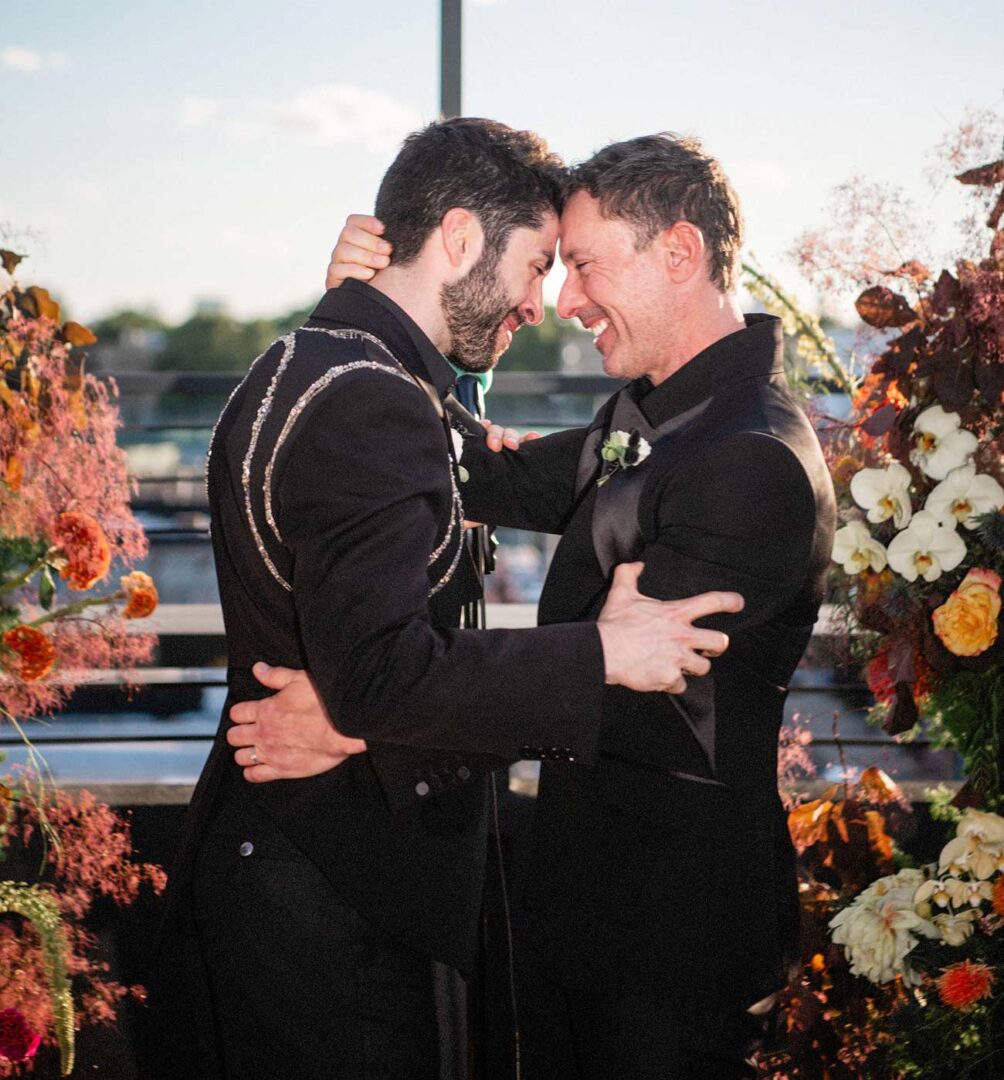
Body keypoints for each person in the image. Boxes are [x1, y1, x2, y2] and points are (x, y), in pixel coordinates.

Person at [234, 132, 837, 1078]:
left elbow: (637, 694)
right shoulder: (658, 415)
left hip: (670, 939)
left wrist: (358, 724)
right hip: (583, 911)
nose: (565, 300)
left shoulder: (751, 461)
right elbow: (467, 466)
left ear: (679, 253)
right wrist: (370, 310)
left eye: (586, 266)